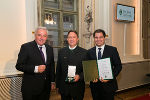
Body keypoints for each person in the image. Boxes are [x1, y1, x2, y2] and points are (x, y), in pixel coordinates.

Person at [15, 27, 55, 100]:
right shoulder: (26, 47)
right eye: (39, 35)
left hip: (45, 88)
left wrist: (52, 81)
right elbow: (19, 66)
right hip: (30, 89)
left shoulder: (49, 48)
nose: (42, 38)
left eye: (44, 36)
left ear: (46, 37)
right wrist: (35, 69)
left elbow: (51, 65)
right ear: (35, 35)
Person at [87, 29, 122, 100]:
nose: (98, 39)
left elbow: (118, 66)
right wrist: (91, 77)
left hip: (108, 85)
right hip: (95, 86)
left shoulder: (112, 50)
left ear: (104, 38)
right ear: (94, 38)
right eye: (96, 37)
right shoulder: (89, 52)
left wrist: (110, 77)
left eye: (100, 37)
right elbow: (89, 67)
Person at [56, 30, 87, 100]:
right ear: (67, 39)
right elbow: (58, 70)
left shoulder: (84, 52)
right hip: (64, 87)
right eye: (70, 37)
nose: (71, 39)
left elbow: (86, 70)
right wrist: (57, 85)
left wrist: (80, 76)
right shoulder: (61, 52)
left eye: (74, 37)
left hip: (78, 87)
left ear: (77, 39)